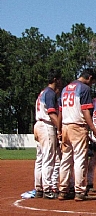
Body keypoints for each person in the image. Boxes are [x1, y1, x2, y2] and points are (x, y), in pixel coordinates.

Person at [58, 68, 96, 201]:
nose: (91, 85)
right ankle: (80, 191)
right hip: (78, 126)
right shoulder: (84, 88)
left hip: (65, 126)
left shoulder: (65, 89)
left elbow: (60, 111)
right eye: (92, 82)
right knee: (80, 159)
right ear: (89, 77)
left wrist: (59, 129)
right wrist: (93, 127)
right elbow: (86, 110)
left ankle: (63, 190)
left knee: (66, 159)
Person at [33, 69, 62, 199]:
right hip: (46, 125)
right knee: (49, 158)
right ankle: (48, 188)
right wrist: (60, 128)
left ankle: (39, 187)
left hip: (38, 124)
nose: (61, 82)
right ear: (55, 79)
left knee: (40, 158)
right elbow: (51, 113)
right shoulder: (50, 93)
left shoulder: (42, 92)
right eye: (59, 79)